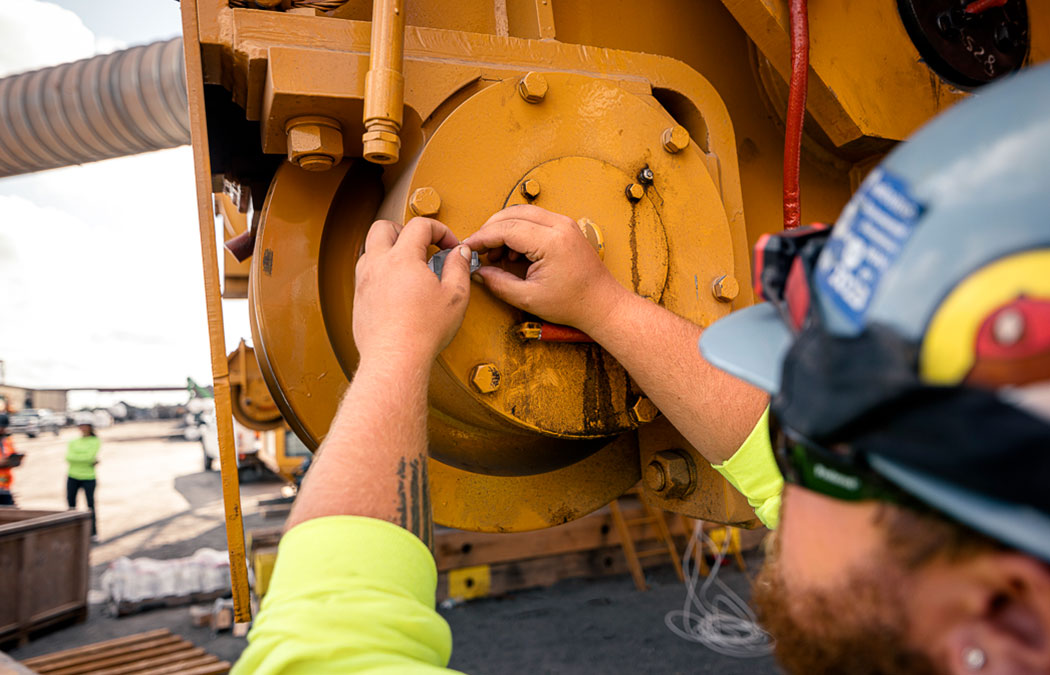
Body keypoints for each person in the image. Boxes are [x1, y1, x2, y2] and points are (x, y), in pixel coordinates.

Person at [236, 63, 1050, 674]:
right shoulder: (946, 562)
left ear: (1008, 611)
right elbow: (770, 450)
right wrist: (602, 304)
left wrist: (393, 352)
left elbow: (327, 647)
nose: (786, 453)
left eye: (818, 448)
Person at [66, 420, 100, 538]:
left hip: (88, 477)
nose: (83, 428)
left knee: (90, 506)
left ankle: (93, 532)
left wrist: (80, 457)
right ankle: (72, 532)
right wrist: (86, 458)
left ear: (90, 427)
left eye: (86, 426)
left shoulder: (95, 441)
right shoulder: (73, 442)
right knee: (71, 506)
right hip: (72, 476)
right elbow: (68, 457)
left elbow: (89, 457)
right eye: (81, 426)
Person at [0, 413, 23, 506]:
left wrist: (15, 461)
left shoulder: (7, 440)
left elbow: (11, 453)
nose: (4, 430)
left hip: (5, 486)